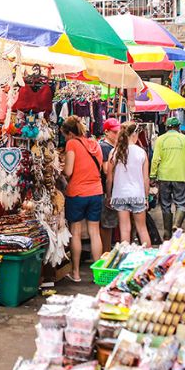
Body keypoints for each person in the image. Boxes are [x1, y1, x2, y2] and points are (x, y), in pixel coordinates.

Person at [61, 116, 105, 281]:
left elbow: (69, 171)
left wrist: (62, 170)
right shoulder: (95, 144)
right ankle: (97, 275)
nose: (65, 139)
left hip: (77, 193)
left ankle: (76, 273)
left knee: (76, 232)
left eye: (65, 136)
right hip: (95, 192)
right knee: (95, 232)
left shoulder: (72, 143)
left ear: (70, 133)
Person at [150, 117, 185, 240]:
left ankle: (167, 232)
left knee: (165, 204)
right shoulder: (184, 139)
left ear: (167, 127)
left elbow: (155, 159)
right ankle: (176, 225)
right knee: (180, 202)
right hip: (179, 175)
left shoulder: (160, 139)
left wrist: (153, 175)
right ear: (178, 127)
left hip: (164, 176)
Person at [107, 123, 151, 246]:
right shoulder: (141, 152)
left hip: (120, 195)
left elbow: (109, 179)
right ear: (134, 134)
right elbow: (145, 179)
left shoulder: (114, 152)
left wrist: (109, 195)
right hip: (137, 194)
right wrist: (146, 197)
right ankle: (148, 261)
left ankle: (125, 259)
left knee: (124, 230)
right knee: (142, 229)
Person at [99, 118, 122, 251]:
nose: (117, 134)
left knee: (111, 224)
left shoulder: (112, 147)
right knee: (107, 225)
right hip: (106, 191)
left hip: (113, 190)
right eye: (114, 132)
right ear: (106, 132)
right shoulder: (104, 147)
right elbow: (107, 170)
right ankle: (106, 252)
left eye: (118, 132)